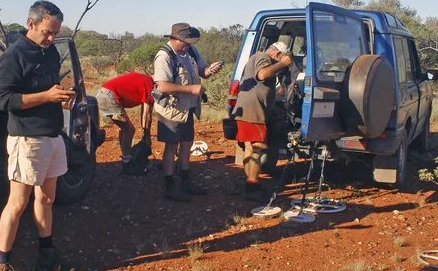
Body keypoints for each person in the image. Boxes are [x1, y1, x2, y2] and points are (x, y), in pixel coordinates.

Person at [0, 0, 76, 271]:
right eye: (47, 32)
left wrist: (61, 97)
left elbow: (48, 92)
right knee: (17, 203)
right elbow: (4, 99)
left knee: (48, 197)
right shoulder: (13, 56)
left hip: (53, 136)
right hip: (26, 140)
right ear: (31, 24)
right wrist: (45, 96)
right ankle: (3, 268)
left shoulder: (49, 51)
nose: (51, 38)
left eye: (55, 33)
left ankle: (47, 255)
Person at [153, 23, 224, 202]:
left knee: (186, 144)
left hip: (187, 108)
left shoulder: (191, 52)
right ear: (175, 38)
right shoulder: (164, 56)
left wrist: (210, 70)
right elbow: (162, 86)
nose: (188, 44)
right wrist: (192, 89)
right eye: (185, 41)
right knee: (171, 147)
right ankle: (170, 187)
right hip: (171, 110)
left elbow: (203, 72)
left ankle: (185, 182)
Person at [232, 41, 292, 201]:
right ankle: (252, 187)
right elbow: (262, 75)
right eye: (279, 58)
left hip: (246, 110)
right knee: (259, 148)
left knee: (249, 148)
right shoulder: (263, 57)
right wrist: (282, 64)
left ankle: (252, 184)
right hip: (254, 112)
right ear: (277, 54)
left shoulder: (255, 57)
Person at [96, 72, 154, 175]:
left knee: (125, 128)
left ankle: (126, 157)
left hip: (101, 93)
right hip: (110, 96)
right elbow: (147, 114)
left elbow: (143, 111)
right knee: (129, 130)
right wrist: (146, 135)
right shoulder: (150, 85)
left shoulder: (145, 80)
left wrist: (145, 133)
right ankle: (127, 164)